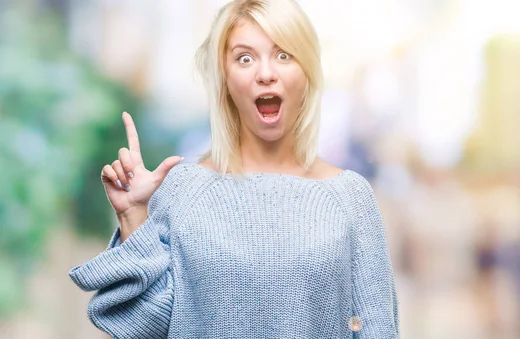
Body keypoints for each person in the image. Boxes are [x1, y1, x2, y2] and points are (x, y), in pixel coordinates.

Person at [68, 0, 399, 338]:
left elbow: (375, 329)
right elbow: (151, 328)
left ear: (307, 72)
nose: (266, 73)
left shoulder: (350, 198)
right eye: (244, 58)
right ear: (225, 79)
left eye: (284, 55)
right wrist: (133, 218)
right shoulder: (184, 191)